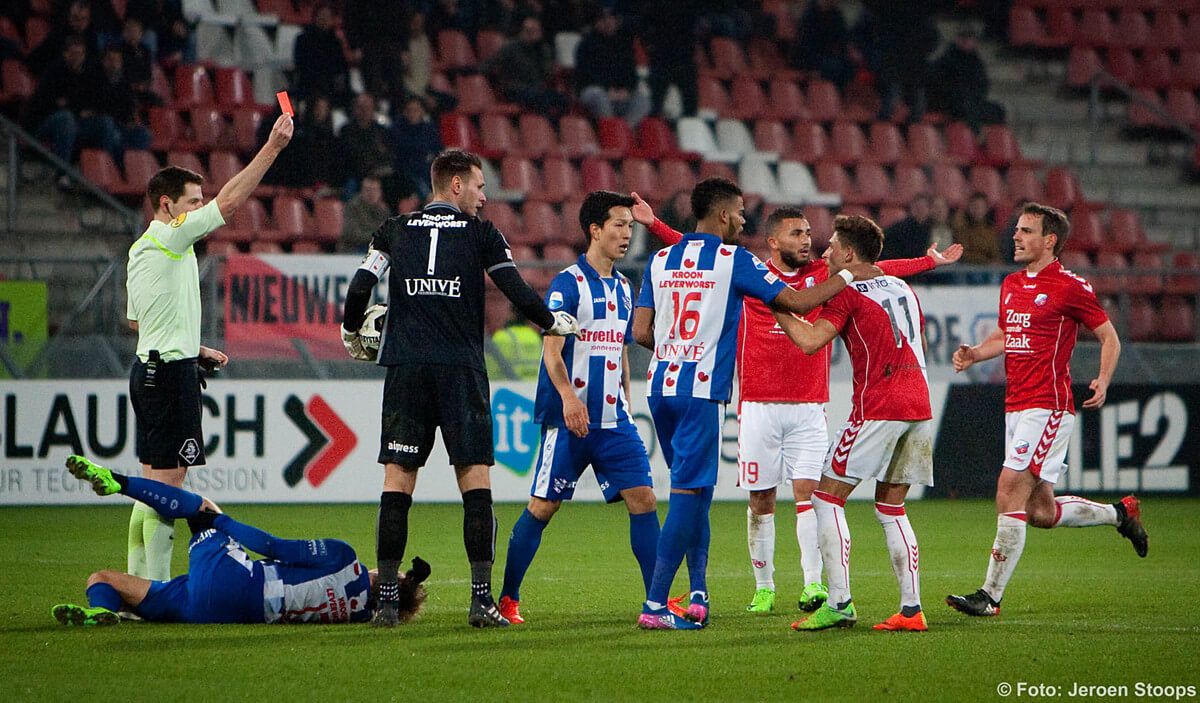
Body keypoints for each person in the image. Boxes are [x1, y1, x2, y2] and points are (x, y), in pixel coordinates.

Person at [633, 200, 960, 615]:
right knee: (762, 500)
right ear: (773, 241)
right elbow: (697, 251)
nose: (810, 243)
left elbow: (873, 269)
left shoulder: (824, 278)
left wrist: (926, 263)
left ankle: (816, 588)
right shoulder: (750, 269)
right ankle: (765, 587)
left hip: (810, 405)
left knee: (812, 495)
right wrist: (657, 225)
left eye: (812, 235)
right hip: (758, 404)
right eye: (798, 234)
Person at [339, 148, 580, 628]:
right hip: (460, 371)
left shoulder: (394, 228)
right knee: (475, 484)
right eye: (479, 186)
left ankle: (386, 602)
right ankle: (480, 601)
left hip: (406, 369)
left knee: (397, 483)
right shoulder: (481, 234)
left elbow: (360, 287)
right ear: (455, 185)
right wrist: (551, 321)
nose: (484, 197)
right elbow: (513, 288)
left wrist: (351, 331)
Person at [629, 177, 878, 630]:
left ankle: (699, 592)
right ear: (723, 214)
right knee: (687, 496)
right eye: (740, 212)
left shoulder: (661, 257)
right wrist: (846, 275)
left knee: (695, 492)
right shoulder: (733, 259)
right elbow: (800, 302)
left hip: (659, 388)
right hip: (700, 391)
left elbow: (641, 332)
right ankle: (656, 604)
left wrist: (676, 348)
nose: (744, 220)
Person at [946, 203, 1146, 618]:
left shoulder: (1070, 286)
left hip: (1048, 405)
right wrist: (975, 355)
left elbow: (1110, 338)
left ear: (1049, 240)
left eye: (1025, 231)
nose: (1015, 237)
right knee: (1039, 511)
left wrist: (1104, 379)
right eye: (1016, 230)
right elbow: (1006, 334)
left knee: (1007, 488)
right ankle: (1120, 513)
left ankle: (990, 597)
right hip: (1015, 405)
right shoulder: (1012, 283)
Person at [124, 112, 293, 582]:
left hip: (149, 369)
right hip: (169, 377)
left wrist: (191, 348)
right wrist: (273, 148)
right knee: (169, 489)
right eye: (192, 203)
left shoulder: (142, 249)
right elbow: (233, 202)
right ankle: (153, 592)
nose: (200, 212)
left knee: (151, 485)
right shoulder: (174, 236)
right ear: (166, 205)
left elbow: (136, 319)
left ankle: (138, 586)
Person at [498, 191, 660, 624]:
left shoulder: (626, 288)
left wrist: (627, 397)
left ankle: (657, 602)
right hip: (569, 420)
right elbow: (552, 353)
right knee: (543, 507)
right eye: (619, 225)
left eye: (630, 226)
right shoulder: (568, 284)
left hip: (615, 421)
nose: (628, 234)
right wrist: (570, 399)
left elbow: (620, 352)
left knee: (643, 499)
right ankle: (508, 598)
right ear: (595, 230)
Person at [771, 214, 935, 632]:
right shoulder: (901, 287)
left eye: (830, 247)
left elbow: (809, 342)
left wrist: (774, 306)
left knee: (826, 498)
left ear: (848, 253)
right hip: (919, 403)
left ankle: (840, 601)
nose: (824, 254)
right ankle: (912, 611)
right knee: (891, 506)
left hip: (879, 404)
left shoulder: (847, 292)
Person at [53, 455, 429, 626]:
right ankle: (100, 611)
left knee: (200, 507)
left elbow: (274, 548)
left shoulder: (346, 559)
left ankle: (119, 482)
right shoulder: (360, 615)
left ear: (390, 578)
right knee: (103, 579)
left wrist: (222, 522)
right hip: (217, 612)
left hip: (240, 583)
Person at [574, 7, 651, 128]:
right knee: (599, 96)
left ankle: (624, 131)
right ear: (597, 22)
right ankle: (608, 131)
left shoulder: (623, 44)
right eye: (605, 19)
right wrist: (608, 90)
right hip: (594, 90)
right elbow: (585, 75)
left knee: (643, 100)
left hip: (620, 94)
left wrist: (626, 90)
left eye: (612, 19)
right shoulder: (586, 45)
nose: (609, 23)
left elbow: (631, 74)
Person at [483, 15, 568, 117]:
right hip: (515, 88)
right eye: (526, 31)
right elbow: (492, 62)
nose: (529, 35)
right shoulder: (511, 48)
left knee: (562, 99)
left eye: (533, 31)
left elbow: (547, 73)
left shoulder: (543, 50)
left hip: (537, 88)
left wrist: (544, 56)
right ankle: (542, 127)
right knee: (541, 99)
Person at [338, 175, 391, 253]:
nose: (371, 194)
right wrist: (378, 236)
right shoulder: (353, 207)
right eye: (368, 190)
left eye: (375, 190)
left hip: (375, 249)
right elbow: (352, 234)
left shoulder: (383, 210)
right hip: (352, 249)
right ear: (361, 191)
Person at [951, 192, 1001, 265]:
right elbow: (964, 254)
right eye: (974, 207)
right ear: (969, 208)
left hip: (989, 270)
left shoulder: (990, 231)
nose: (977, 210)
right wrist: (986, 262)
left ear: (986, 209)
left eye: (981, 207)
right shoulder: (962, 229)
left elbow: (995, 253)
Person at [882, 193, 934, 260]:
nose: (920, 211)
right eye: (918, 207)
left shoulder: (931, 227)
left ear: (929, 210)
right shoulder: (900, 229)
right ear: (911, 208)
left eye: (923, 207)